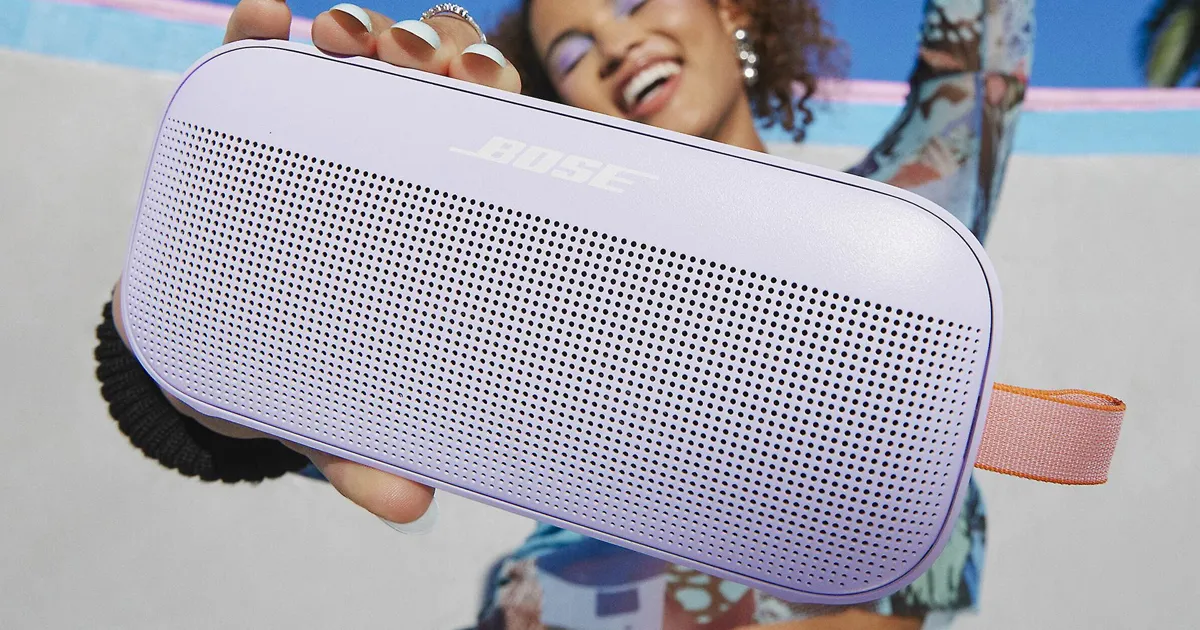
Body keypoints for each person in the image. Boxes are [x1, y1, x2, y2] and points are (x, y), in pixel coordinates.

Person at [93, 0, 1032, 628]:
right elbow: (260, 415)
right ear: (561, 103)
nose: (615, 44)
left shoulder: (912, 236)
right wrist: (178, 332)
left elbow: (987, 38)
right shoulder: (521, 296)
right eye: (573, 52)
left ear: (733, 9)